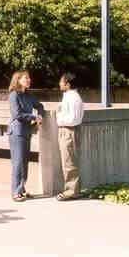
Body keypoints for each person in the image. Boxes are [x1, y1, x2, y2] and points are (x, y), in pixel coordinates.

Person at [7, 70, 44, 202]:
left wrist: (40, 115)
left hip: (27, 131)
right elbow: (17, 114)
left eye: (29, 78)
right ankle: (15, 192)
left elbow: (40, 106)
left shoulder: (28, 95)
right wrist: (33, 117)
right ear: (18, 80)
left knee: (24, 163)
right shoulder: (13, 95)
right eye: (26, 78)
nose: (29, 80)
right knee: (18, 162)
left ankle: (22, 189)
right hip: (17, 132)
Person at [55, 72, 84, 201]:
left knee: (69, 162)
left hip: (68, 130)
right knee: (68, 160)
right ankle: (72, 189)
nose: (60, 83)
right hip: (67, 130)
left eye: (62, 81)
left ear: (68, 84)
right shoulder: (69, 96)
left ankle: (72, 191)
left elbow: (73, 119)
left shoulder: (73, 97)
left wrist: (59, 117)